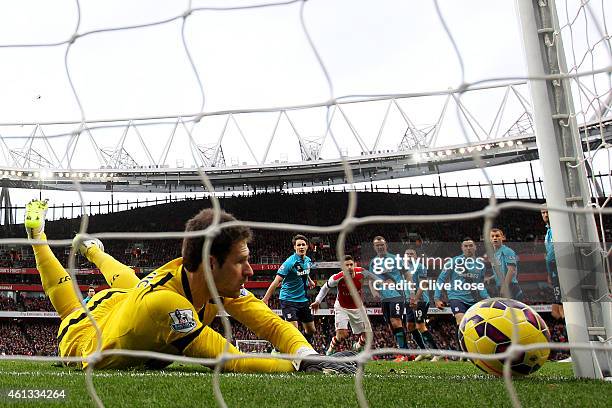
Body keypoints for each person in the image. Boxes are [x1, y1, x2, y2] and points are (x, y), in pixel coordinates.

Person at [25, 199, 355, 374]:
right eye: (240, 262)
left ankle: (93, 249)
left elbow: (268, 321)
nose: (249, 270)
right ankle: (37, 236)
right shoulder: (168, 305)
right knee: (71, 309)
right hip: (89, 336)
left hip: (131, 304)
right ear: (212, 263)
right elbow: (232, 360)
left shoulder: (199, 277)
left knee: (130, 281)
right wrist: (301, 367)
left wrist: (307, 354)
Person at [262, 234, 317, 345]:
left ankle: (304, 347)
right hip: (288, 300)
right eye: (298, 245)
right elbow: (276, 281)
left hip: (303, 300)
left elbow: (304, 271)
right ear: (294, 247)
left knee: (311, 330)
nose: (301, 247)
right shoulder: (289, 263)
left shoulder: (308, 260)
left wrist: (309, 281)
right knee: (294, 332)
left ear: (307, 246)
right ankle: (283, 350)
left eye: (303, 245)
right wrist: (265, 299)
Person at [310, 255, 370, 355]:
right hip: (342, 307)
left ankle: (358, 346)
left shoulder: (362, 272)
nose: (349, 267)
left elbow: (375, 276)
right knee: (342, 336)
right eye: (346, 265)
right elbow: (325, 287)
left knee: (368, 336)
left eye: (351, 264)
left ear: (355, 265)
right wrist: (317, 301)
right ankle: (331, 348)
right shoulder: (337, 277)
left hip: (358, 307)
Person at [367, 236, 411, 362]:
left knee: (396, 321)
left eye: (382, 244)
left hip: (397, 294)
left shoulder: (395, 259)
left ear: (386, 245)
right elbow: (371, 279)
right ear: (374, 247)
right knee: (391, 325)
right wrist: (374, 291)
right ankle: (406, 352)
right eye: (377, 245)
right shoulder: (373, 262)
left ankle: (403, 353)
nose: (380, 247)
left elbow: (407, 274)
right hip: (384, 297)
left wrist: (409, 289)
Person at [434, 238, 490, 326]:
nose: (468, 248)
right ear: (462, 248)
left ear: (475, 247)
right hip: (456, 297)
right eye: (466, 246)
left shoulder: (480, 265)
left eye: (471, 246)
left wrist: (487, 297)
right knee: (461, 322)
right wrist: (436, 298)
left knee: (475, 325)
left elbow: (480, 285)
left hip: (473, 299)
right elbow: (441, 279)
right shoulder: (453, 261)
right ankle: (460, 340)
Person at [404, 247, 441, 362]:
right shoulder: (403, 268)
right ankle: (424, 352)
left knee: (420, 326)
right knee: (410, 326)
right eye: (407, 254)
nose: (409, 255)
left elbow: (423, 284)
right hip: (408, 300)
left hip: (420, 301)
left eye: (412, 253)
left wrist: (415, 298)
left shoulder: (420, 267)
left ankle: (437, 352)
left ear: (416, 257)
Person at [487, 228, 523, 300]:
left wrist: (505, 286)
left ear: (503, 237)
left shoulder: (507, 251)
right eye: (492, 236)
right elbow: (500, 272)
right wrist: (490, 278)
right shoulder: (493, 255)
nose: (495, 238)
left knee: (512, 311)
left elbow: (511, 270)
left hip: (510, 286)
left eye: (497, 236)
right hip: (500, 286)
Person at [541, 206, 564, 319]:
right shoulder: (548, 231)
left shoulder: (558, 229)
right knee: (557, 312)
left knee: (561, 309)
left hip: (561, 269)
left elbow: (551, 256)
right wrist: (550, 274)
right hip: (554, 271)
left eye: (547, 212)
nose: (545, 215)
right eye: (543, 213)